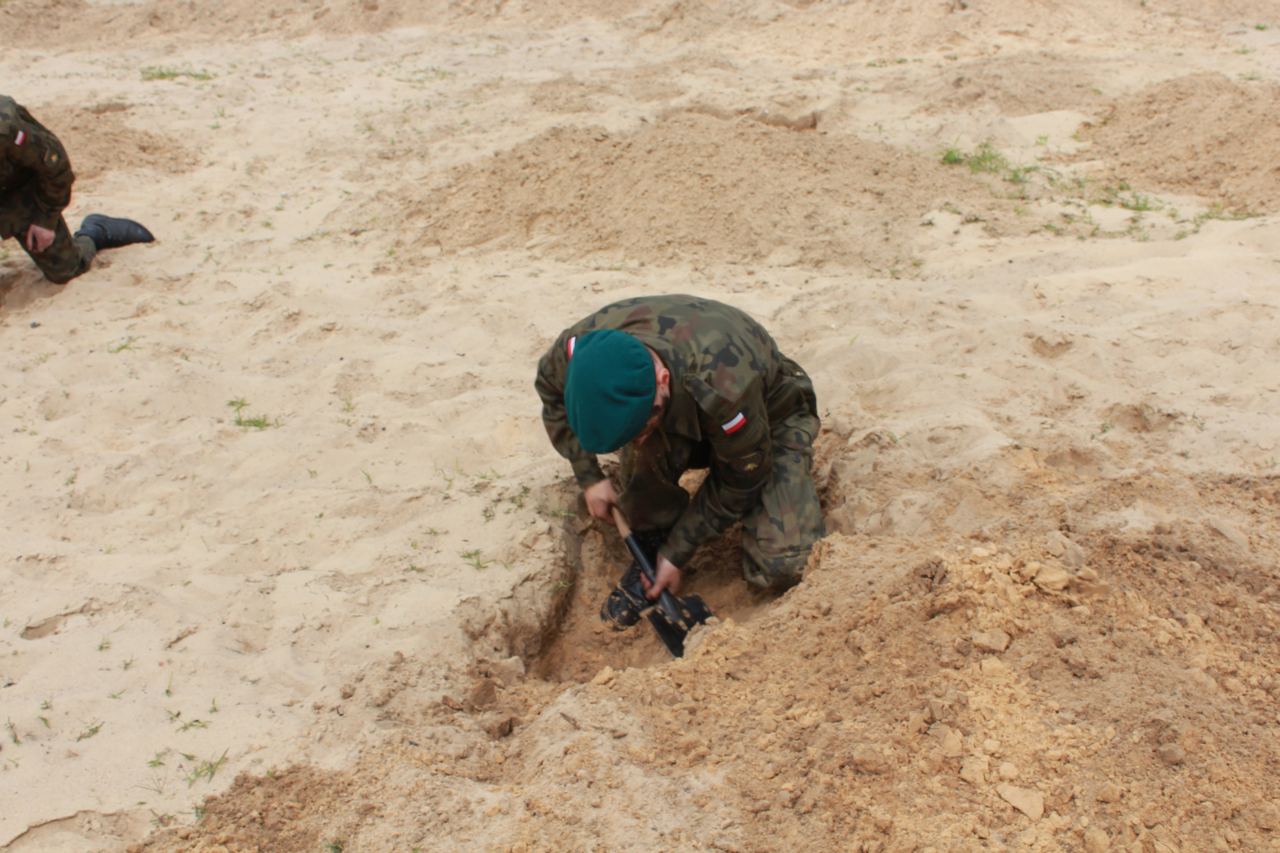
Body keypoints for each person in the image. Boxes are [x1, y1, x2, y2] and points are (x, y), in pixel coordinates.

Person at [535, 294, 825, 630]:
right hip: (687, 399)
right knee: (649, 449)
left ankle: (675, 541)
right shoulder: (583, 351)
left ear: (661, 378)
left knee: (783, 564)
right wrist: (589, 476)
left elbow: (741, 478)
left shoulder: (725, 389)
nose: (638, 441)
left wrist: (678, 550)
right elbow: (550, 389)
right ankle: (651, 539)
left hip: (768, 416)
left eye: (646, 424)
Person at [1, 95, 154, 284]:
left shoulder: (5, 126)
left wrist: (45, 219)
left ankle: (96, 230)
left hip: (18, 191)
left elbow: (55, 165)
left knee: (65, 269)